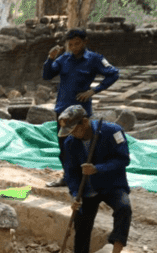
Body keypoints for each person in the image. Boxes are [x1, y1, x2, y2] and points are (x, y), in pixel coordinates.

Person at [59, 105, 131, 253]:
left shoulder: (112, 131)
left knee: (124, 208)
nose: (71, 134)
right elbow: (71, 173)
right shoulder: (70, 143)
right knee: (82, 226)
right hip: (87, 189)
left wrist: (98, 168)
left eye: (74, 129)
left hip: (112, 184)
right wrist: (75, 194)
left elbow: (123, 159)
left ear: (85, 122)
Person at [43, 28, 119, 187]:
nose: (74, 47)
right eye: (70, 44)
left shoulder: (94, 59)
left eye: (77, 43)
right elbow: (47, 75)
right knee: (64, 146)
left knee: (82, 146)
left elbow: (113, 74)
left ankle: (86, 180)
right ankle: (67, 177)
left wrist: (93, 90)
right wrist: (50, 59)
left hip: (80, 112)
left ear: (85, 42)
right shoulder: (63, 58)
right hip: (62, 110)